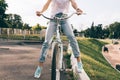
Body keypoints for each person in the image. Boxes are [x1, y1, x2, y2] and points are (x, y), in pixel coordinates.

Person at [34, 0, 83, 78]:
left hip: (65, 18)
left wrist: (77, 9)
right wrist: (41, 11)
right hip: (53, 18)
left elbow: (73, 2)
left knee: (71, 37)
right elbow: (47, 4)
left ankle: (79, 62)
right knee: (46, 42)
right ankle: (40, 66)